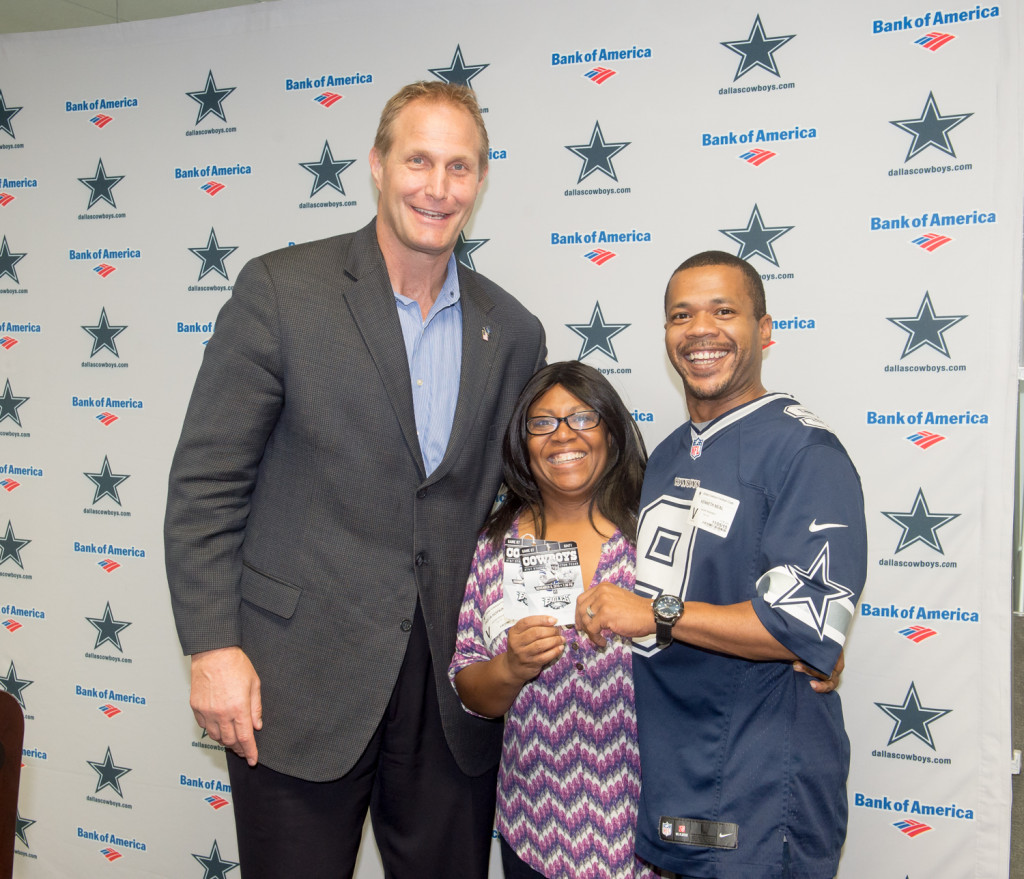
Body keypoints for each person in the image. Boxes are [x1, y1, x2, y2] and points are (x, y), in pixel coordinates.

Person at [164, 81, 545, 879]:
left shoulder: (512, 331)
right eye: (418, 160)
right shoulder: (281, 291)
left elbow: (522, 500)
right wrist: (212, 646)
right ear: (376, 165)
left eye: (460, 167)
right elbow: (206, 485)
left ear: (481, 181)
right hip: (295, 681)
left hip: (449, 696)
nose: (437, 188)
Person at [576, 251, 867, 879]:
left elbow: (804, 628)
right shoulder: (671, 451)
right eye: (681, 315)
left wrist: (652, 613)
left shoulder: (806, 452)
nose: (700, 330)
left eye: (723, 311)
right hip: (677, 770)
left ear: (764, 330)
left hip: (759, 783)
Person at [448, 360, 660, 879]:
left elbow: (716, 629)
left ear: (611, 430)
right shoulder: (497, 545)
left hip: (649, 832)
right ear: (523, 443)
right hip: (535, 829)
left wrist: (795, 653)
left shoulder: (658, 533)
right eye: (542, 423)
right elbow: (471, 689)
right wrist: (512, 667)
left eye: (582, 418)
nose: (563, 435)